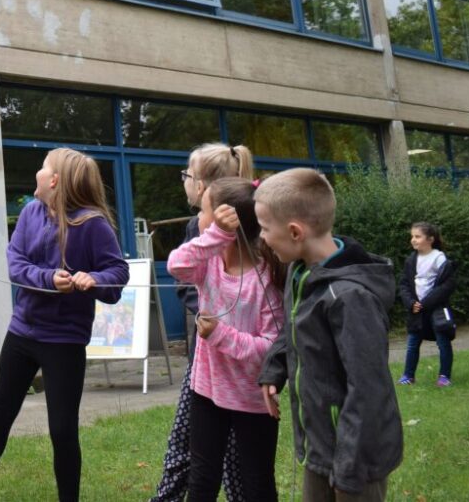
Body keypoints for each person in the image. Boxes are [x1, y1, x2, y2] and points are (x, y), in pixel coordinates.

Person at [0, 148, 129, 502]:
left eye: (43, 166)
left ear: (54, 180)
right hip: (22, 332)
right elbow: (15, 262)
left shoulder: (92, 223)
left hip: (64, 340)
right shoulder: (31, 212)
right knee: (0, 412)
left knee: (62, 429)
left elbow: (118, 274)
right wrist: (50, 278)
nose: (38, 172)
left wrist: (91, 278)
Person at [256, 168, 403, 501]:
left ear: (295, 231)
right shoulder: (301, 272)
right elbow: (295, 326)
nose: (261, 238)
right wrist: (275, 366)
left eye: (265, 228)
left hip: (357, 457)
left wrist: (350, 469)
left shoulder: (350, 298)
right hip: (322, 447)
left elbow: (369, 391)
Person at [166, 178, 285, 502]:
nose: (199, 220)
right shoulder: (210, 263)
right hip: (207, 389)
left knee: (256, 482)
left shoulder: (265, 278)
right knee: (202, 478)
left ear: (228, 220)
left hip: (251, 398)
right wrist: (217, 236)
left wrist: (220, 335)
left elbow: (271, 347)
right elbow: (176, 265)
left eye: (204, 211)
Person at [152, 143, 254, 502]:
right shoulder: (200, 226)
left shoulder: (218, 223)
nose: (184, 181)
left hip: (242, 367)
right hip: (207, 363)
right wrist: (208, 311)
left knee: (236, 457)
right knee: (192, 447)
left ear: (205, 186)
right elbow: (181, 272)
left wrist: (221, 318)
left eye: (188, 175)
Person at [397, 222, 458, 387]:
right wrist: (411, 303)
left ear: (430, 239)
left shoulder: (440, 258)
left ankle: (444, 376)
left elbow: (447, 285)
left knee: (443, 342)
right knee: (412, 343)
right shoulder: (411, 260)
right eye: (412, 236)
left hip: (437, 309)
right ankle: (408, 376)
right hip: (416, 310)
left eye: (418, 236)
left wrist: (426, 303)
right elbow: (404, 285)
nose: (413, 240)